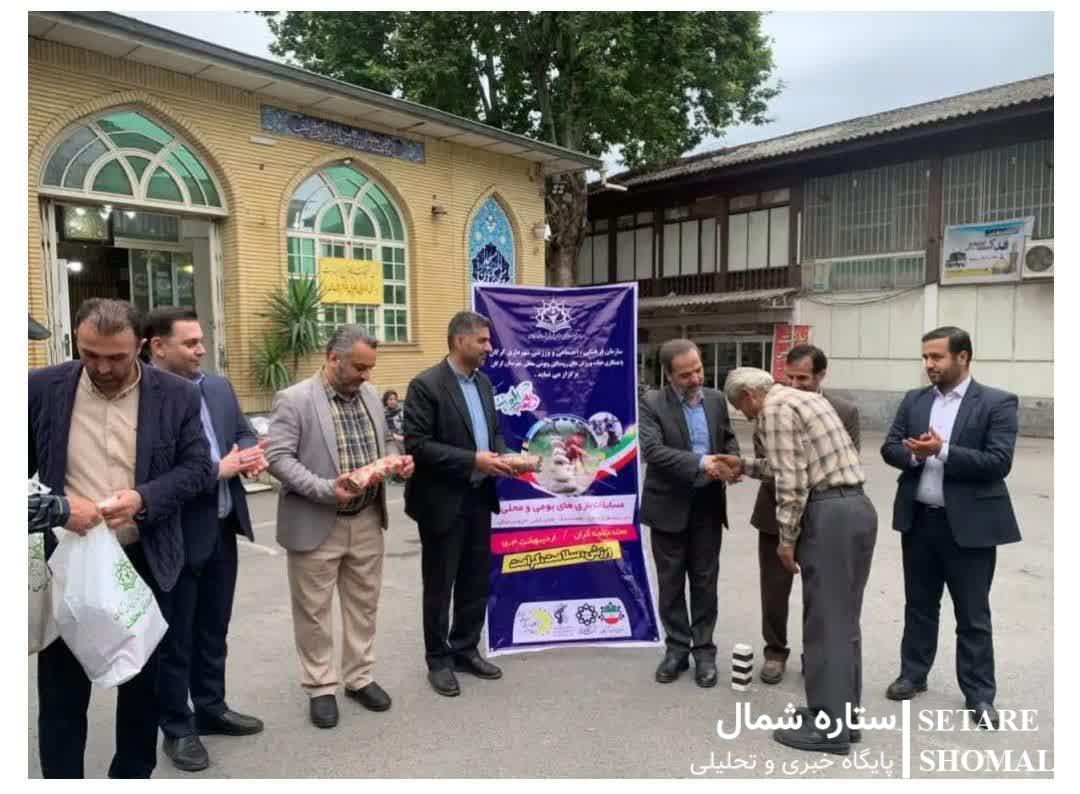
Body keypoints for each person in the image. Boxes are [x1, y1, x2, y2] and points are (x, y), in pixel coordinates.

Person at [28, 298, 212, 778]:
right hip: (66, 564)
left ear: (141, 346)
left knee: (142, 692)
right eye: (90, 354)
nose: (103, 367)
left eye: (117, 357)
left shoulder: (177, 394)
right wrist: (59, 510)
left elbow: (197, 469)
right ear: (75, 340)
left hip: (144, 559)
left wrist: (142, 499)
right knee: (62, 694)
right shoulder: (41, 388)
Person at [718, 367, 874, 755]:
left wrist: (786, 540)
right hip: (856, 509)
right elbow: (791, 464)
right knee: (842, 621)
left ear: (750, 395)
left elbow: (791, 482)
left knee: (824, 623)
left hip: (829, 515)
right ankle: (843, 716)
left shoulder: (773, 409)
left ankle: (829, 729)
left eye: (744, 411)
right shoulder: (804, 399)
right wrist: (744, 465)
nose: (749, 418)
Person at [266, 324, 413, 729]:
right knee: (313, 612)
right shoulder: (295, 399)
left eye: (370, 367)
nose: (367, 376)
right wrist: (325, 489)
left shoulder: (370, 395)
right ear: (333, 358)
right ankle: (320, 686)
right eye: (360, 367)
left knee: (363, 604)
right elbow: (278, 458)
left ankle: (359, 677)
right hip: (316, 521)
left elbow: (388, 440)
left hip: (366, 519)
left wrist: (395, 459)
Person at [143, 307, 269, 772]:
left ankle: (211, 707)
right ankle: (178, 728)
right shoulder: (145, 398)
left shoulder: (217, 387)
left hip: (221, 528)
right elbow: (152, 473)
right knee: (176, 638)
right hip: (174, 536)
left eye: (201, 340)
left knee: (214, 627)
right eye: (191, 343)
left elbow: (242, 431)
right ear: (158, 347)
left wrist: (250, 455)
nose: (201, 349)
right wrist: (219, 469)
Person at [880, 326, 1019, 729]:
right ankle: (913, 675)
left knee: (973, 614)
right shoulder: (915, 400)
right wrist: (916, 456)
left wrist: (941, 450)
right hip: (920, 521)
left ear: (963, 357)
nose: (929, 364)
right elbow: (890, 447)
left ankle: (979, 694)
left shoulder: (996, 402)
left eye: (937, 357)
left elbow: (998, 462)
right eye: (926, 357)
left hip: (970, 528)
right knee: (919, 605)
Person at [404, 311, 515, 698]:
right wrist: (473, 460)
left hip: (480, 497)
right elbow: (418, 445)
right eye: (482, 340)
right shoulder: (425, 385)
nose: (489, 347)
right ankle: (438, 660)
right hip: (441, 502)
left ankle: (466, 648)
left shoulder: (483, 383)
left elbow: (493, 432)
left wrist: (502, 456)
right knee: (440, 585)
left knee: (475, 580)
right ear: (459, 341)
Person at [752, 344, 861, 685]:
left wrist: (808, 496)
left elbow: (844, 465)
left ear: (821, 376)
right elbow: (772, 465)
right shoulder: (770, 407)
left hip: (824, 518)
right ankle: (774, 652)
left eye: (803, 378)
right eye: (790, 378)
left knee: (820, 594)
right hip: (775, 512)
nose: (795, 385)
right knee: (774, 591)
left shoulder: (843, 410)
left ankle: (814, 656)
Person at [638, 339, 740, 688]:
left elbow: (727, 438)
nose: (696, 378)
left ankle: (704, 652)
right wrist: (702, 462)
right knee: (670, 583)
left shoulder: (715, 399)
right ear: (669, 376)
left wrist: (732, 462)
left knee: (705, 581)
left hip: (708, 504)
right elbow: (653, 451)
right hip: (668, 505)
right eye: (685, 375)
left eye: (698, 370)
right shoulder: (651, 403)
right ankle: (677, 649)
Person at [382, 389, 405, 456]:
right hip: (390, 441)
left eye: (395, 399)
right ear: (386, 401)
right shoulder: (382, 414)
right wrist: (394, 436)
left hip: (403, 440)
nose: (393, 401)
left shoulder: (401, 413)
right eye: (390, 399)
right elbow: (383, 430)